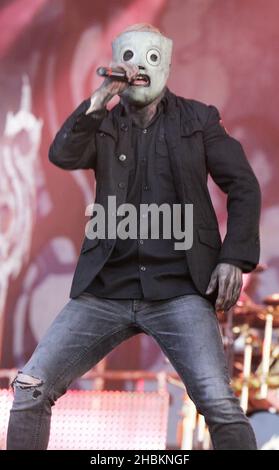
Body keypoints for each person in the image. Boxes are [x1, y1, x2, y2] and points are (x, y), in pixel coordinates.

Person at [7, 23, 261, 450]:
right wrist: (98, 100)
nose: (138, 67)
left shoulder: (198, 120)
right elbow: (62, 153)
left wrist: (233, 258)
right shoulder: (102, 125)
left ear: (166, 65)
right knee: (30, 388)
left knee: (219, 403)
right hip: (107, 288)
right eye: (129, 57)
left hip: (180, 288)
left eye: (150, 58)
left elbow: (244, 186)